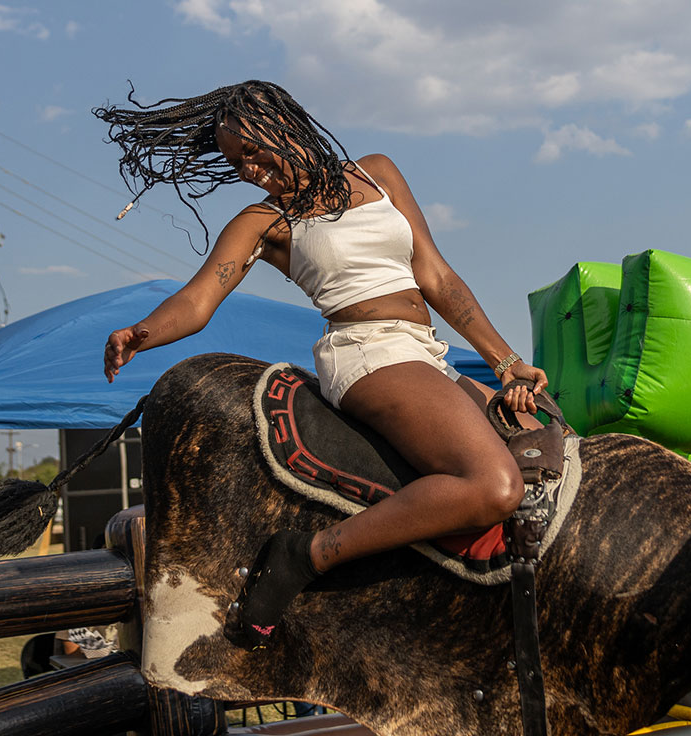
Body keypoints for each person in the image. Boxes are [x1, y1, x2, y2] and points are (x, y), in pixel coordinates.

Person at [95, 81, 548, 651]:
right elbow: (197, 301)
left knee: (552, 451)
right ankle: (306, 554)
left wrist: (505, 363)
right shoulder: (263, 221)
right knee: (494, 485)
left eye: (252, 151)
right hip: (368, 354)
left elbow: (436, 276)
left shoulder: (378, 171)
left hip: (426, 352)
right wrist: (141, 333)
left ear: (282, 122)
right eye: (236, 162)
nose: (248, 169)